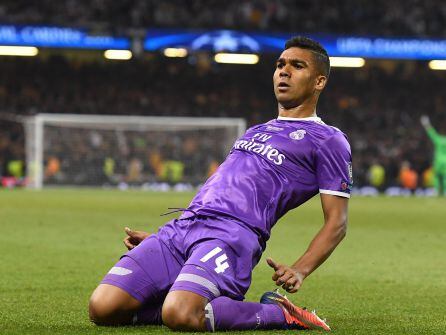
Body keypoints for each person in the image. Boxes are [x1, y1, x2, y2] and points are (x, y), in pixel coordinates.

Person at [89, 36, 352, 332]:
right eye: (280, 64)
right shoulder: (256, 131)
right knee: (103, 308)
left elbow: (337, 223)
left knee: (181, 315)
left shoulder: (328, 140)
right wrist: (162, 240)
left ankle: (282, 313)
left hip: (231, 236)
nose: (284, 71)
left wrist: (301, 269)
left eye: (297, 65)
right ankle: (185, 287)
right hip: (184, 227)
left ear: (319, 82)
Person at [420, 115, 446, 196]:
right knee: (445, 177)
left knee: (437, 177)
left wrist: (426, 124)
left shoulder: (438, 139)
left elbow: (431, 133)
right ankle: (445, 191)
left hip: (438, 161)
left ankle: (436, 190)